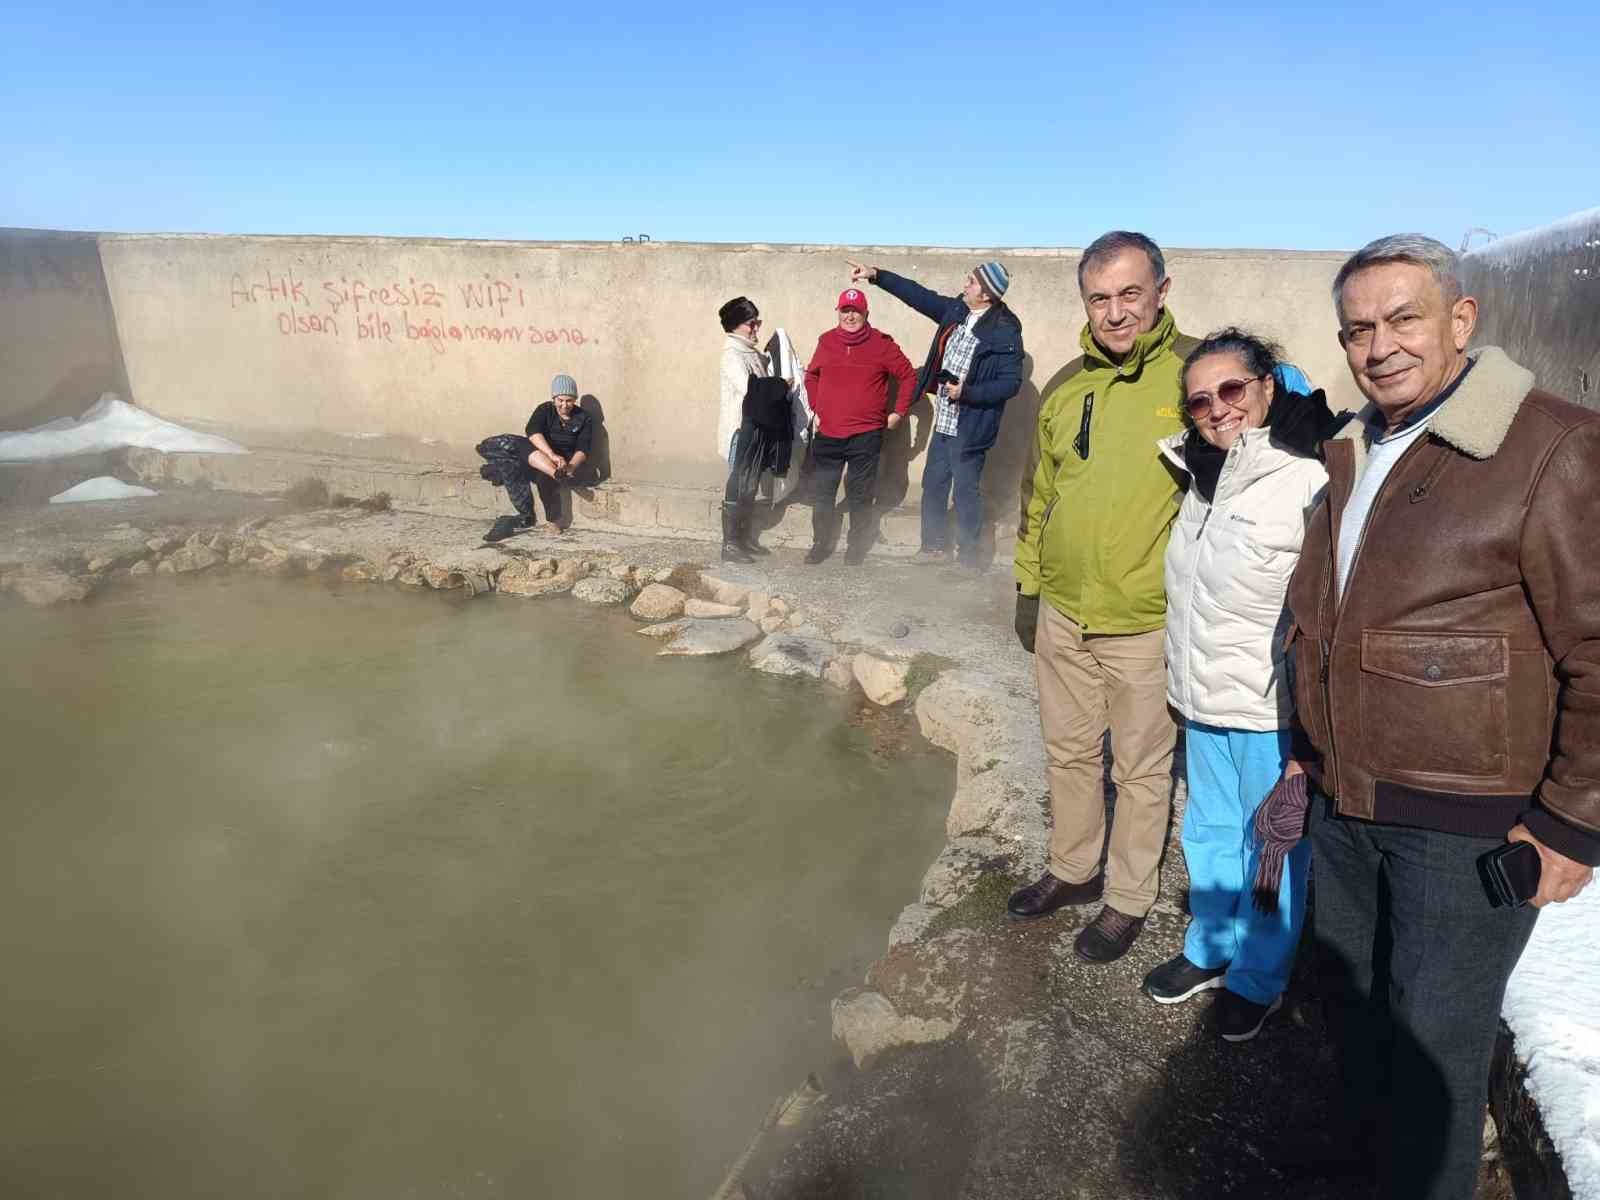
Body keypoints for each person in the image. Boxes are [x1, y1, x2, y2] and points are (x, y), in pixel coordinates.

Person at [1285, 234, 1597, 1198]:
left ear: (1461, 320)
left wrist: (1571, 821)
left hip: (1463, 828)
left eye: (1403, 318)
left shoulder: (1549, 445)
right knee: (1356, 1019)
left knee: (1433, 1059)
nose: (1379, 346)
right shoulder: (1358, 446)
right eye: (1358, 329)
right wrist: (1305, 749)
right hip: (1346, 803)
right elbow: (1330, 617)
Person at [1140, 328, 1342, 1043]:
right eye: (1200, 400)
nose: (1217, 408)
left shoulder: (1309, 476)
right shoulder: (1201, 475)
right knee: (1209, 830)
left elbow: (1328, 609)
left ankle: (1258, 977)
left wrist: (1310, 728)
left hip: (1269, 711)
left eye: (1232, 389)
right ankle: (1210, 946)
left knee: (1274, 849)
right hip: (1202, 701)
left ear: (1266, 388)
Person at [1006, 231, 1193, 963]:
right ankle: (1075, 868)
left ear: (1161, 292)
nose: (1115, 313)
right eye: (1099, 298)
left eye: (1130, 294)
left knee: (1143, 770)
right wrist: (1029, 589)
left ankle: (1126, 899)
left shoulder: (1194, 378)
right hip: (1064, 611)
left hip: (1145, 621)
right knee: (1069, 751)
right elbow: (1038, 494)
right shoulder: (1065, 385)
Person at [845, 258, 1024, 567]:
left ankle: (970, 559)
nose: (964, 284)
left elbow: (1010, 384)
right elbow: (919, 296)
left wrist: (967, 392)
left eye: (971, 281)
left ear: (987, 294)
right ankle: (934, 548)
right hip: (945, 419)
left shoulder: (1005, 330)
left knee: (966, 491)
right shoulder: (958, 310)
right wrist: (877, 276)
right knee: (934, 482)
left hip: (971, 425)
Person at [801, 287, 918, 565]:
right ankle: (821, 543)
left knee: (861, 494)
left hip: (865, 435)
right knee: (823, 492)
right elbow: (811, 375)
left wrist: (899, 412)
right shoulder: (826, 341)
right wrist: (816, 407)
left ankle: (856, 545)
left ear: (866, 313)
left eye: (855, 310)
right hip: (828, 434)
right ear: (838, 312)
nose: (850, 316)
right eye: (845, 310)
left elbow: (909, 376)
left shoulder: (882, 344)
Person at [479, 373, 596, 542]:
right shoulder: (544, 410)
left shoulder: (584, 418)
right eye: (560, 400)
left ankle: (553, 520)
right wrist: (551, 455)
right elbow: (533, 432)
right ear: (553, 398)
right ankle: (554, 473)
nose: (564, 405)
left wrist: (570, 467)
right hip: (540, 457)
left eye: (569, 400)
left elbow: (583, 449)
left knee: (544, 479)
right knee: (520, 444)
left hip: (565, 463)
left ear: (575, 399)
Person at [717, 296, 772, 562]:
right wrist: (778, 385)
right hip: (740, 430)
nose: (756, 329)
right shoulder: (732, 354)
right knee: (738, 483)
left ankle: (743, 538)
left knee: (750, 485)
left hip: (756, 428)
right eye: (752, 324)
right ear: (736, 325)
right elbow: (750, 389)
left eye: (757, 323)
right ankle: (730, 544)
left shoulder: (751, 352)